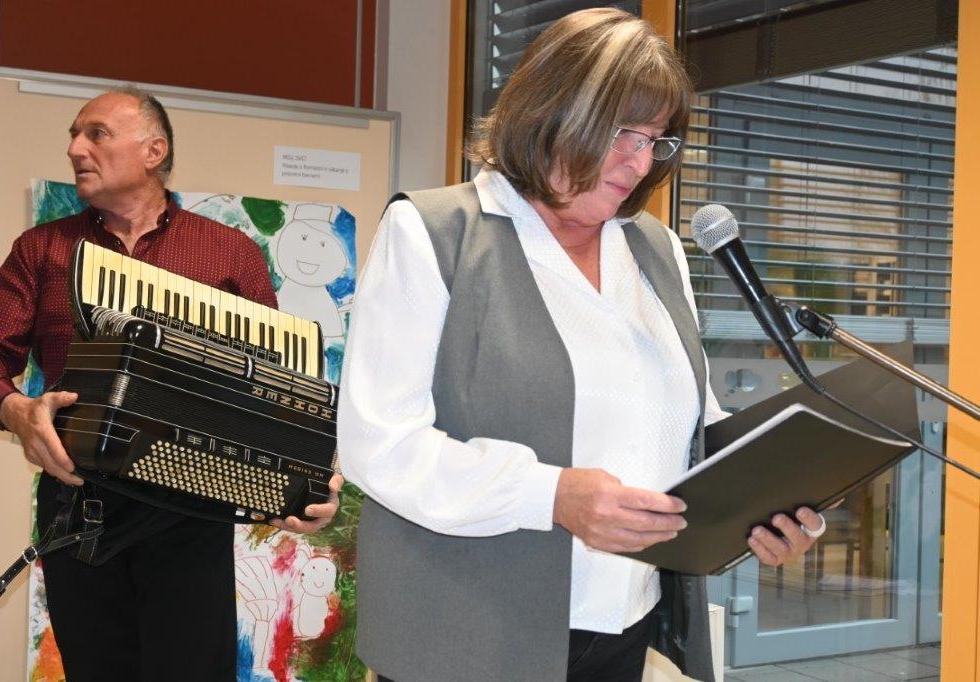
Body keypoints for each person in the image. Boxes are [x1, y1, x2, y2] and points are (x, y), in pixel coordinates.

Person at [338, 9, 824, 682]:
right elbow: (381, 445)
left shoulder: (655, 250)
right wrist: (551, 495)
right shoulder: (434, 233)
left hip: (626, 629)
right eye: (625, 132)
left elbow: (689, 424)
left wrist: (769, 505)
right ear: (553, 109)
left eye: (656, 140)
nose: (641, 161)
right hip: (471, 634)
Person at [0, 88, 342, 681]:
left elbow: (276, 389)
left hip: (193, 510)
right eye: (73, 135)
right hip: (79, 504)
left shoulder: (229, 253)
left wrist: (303, 484)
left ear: (153, 151)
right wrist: (15, 410)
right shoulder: (43, 249)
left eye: (96, 134)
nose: (75, 149)